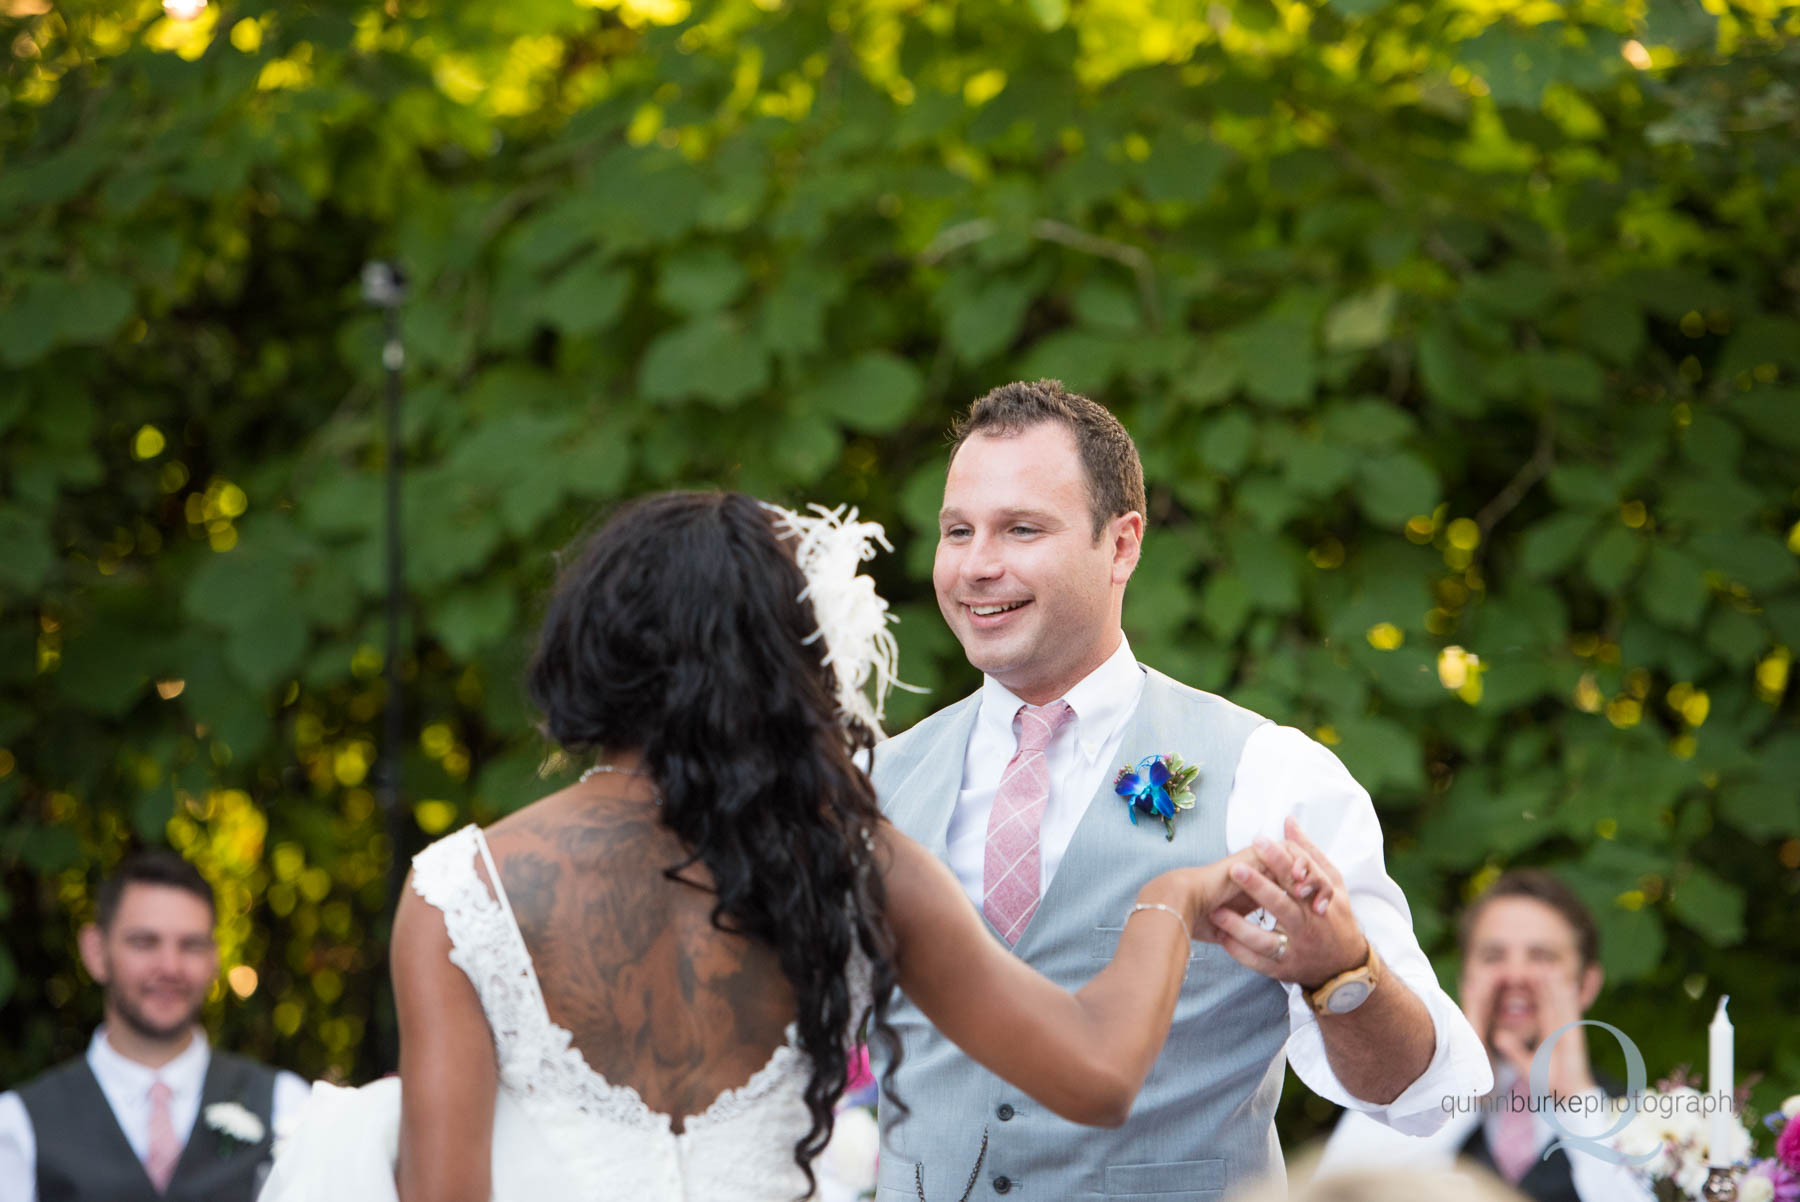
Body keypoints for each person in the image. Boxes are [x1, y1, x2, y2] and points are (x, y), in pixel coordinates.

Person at [261, 490, 1323, 1202]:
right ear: (786, 656)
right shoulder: (857, 862)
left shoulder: (463, 892)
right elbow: (1096, 1071)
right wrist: (1171, 899)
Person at [870, 381, 1493, 1198]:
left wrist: (1344, 970)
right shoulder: (869, 782)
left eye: (1022, 528)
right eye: (959, 531)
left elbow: (1430, 1096)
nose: (979, 565)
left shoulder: (1269, 773)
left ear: (1122, 544)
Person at [1317, 869, 1654, 1202]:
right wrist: (1460, 1082)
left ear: (1586, 985)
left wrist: (1575, 1102)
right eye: (1494, 956)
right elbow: (1335, 1192)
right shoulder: (1400, 1095)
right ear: (1466, 979)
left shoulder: (1642, 1120)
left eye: (1542, 956)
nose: (1515, 975)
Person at [0, 850, 309, 1202]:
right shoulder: (17, 1126)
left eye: (191, 945)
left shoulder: (286, 1105)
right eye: (144, 942)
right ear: (96, 952)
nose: (169, 966)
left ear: (214, 959)